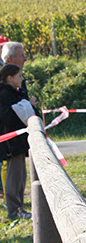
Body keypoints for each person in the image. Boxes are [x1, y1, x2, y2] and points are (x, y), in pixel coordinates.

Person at [0, 64, 36, 220]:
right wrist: (26, 107)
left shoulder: (15, 93)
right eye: (19, 76)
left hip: (19, 143)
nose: (22, 79)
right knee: (14, 179)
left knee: (21, 177)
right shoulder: (4, 94)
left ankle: (19, 208)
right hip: (11, 144)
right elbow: (7, 117)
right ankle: (14, 211)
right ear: (10, 78)